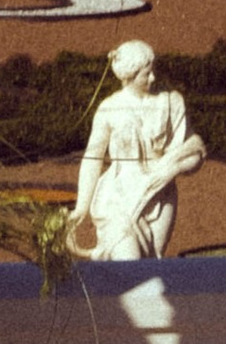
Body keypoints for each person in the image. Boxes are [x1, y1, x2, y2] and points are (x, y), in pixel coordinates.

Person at [72, 37, 205, 260]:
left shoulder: (170, 102)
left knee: (151, 264)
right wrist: (81, 207)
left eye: (153, 71)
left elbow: (195, 151)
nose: (153, 78)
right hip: (118, 197)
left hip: (160, 198)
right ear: (129, 76)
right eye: (146, 74)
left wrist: (172, 170)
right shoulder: (110, 109)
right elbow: (93, 157)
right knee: (127, 259)